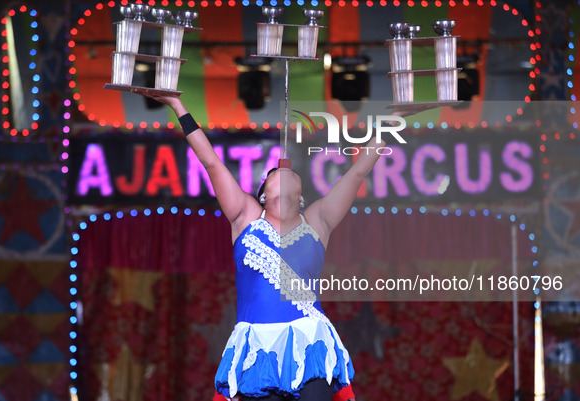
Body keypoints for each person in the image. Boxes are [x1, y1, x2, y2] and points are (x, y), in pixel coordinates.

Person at [134, 89, 395, 401]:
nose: (282, 173)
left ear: (301, 198)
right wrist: (178, 106)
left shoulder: (317, 221)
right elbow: (211, 163)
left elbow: (358, 171)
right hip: (257, 350)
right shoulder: (245, 218)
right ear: (261, 195)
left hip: (310, 345)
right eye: (273, 174)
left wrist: (394, 121)